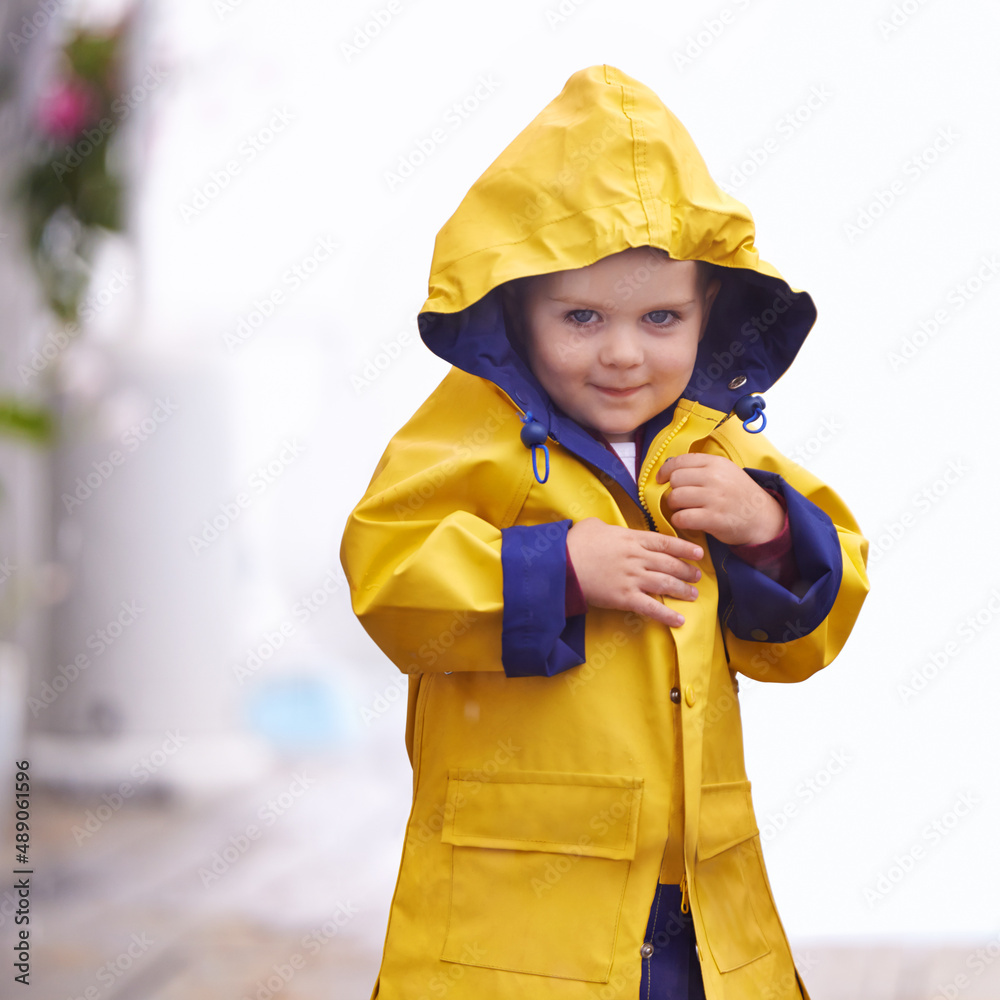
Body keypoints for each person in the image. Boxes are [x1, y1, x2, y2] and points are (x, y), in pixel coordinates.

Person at [340, 64, 870, 1000]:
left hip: (695, 891)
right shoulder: (472, 433)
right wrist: (555, 566)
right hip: (519, 897)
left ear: (709, 314)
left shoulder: (717, 445)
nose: (625, 352)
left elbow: (818, 623)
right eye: (582, 317)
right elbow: (388, 579)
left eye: (661, 318)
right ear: (517, 310)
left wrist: (770, 532)